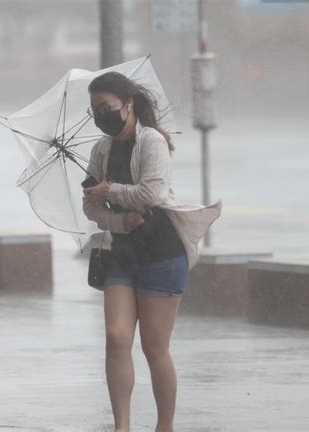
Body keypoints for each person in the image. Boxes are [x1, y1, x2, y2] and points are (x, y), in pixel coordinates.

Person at [82, 71, 222, 432]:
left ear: (128, 105)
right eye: (94, 109)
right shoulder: (100, 150)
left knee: (154, 348)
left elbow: (153, 194)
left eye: (107, 107)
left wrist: (109, 190)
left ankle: (165, 425)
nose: (101, 115)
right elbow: (90, 207)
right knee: (116, 338)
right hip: (123, 253)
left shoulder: (152, 143)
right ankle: (122, 427)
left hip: (162, 251)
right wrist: (117, 223)